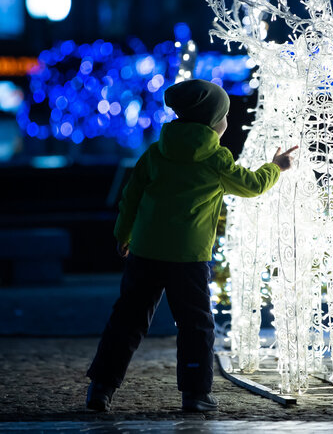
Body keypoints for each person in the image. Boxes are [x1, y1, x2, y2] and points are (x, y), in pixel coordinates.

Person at [85, 79, 297, 412]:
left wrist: (123, 234)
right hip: (189, 257)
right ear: (215, 122)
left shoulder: (156, 152)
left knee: (126, 321)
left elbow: (131, 197)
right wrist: (276, 167)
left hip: (145, 251)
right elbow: (253, 185)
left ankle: (101, 388)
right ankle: (196, 394)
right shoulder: (216, 159)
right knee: (195, 325)